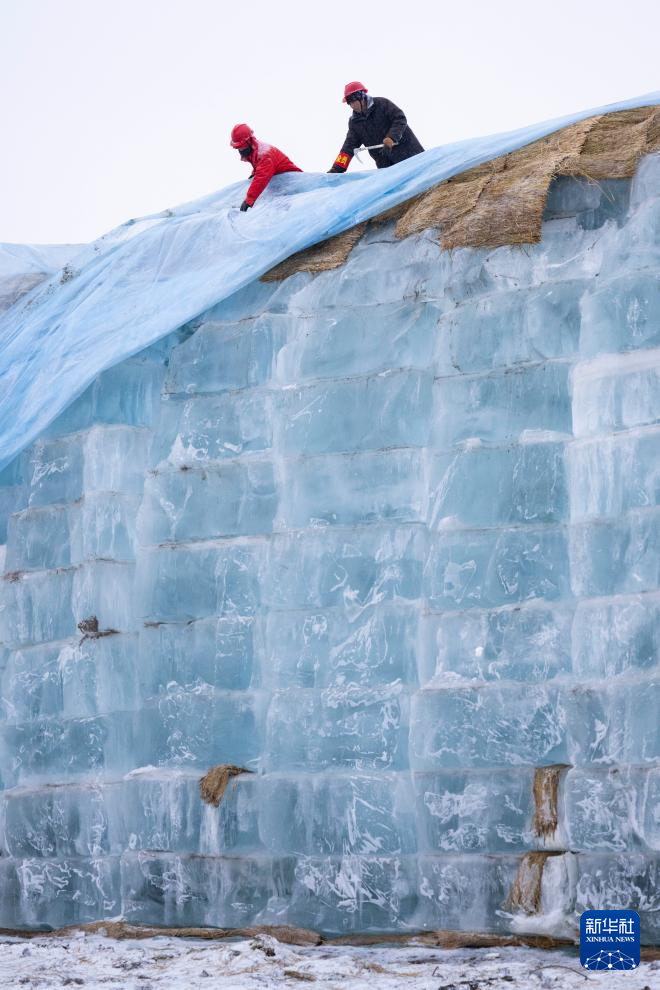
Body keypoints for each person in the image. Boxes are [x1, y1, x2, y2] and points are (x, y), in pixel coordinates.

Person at [328, 81, 424, 173]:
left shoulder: (382, 104)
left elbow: (400, 119)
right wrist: (336, 168)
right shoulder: (355, 123)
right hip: (387, 168)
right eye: (349, 103)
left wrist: (391, 137)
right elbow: (348, 147)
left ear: (361, 96)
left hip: (410, 155)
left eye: (353, 102)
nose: (352, 106)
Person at [230, 124, 302, 211]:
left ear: (249, 141)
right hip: (282, 187)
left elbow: (262, 177)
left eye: (241, 146)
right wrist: (254, 173)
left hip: (294, 187)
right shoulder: (255, 151)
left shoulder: (264, 154)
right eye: (238, 148)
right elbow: (259, 168)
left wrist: (249, 200)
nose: (240, 150)